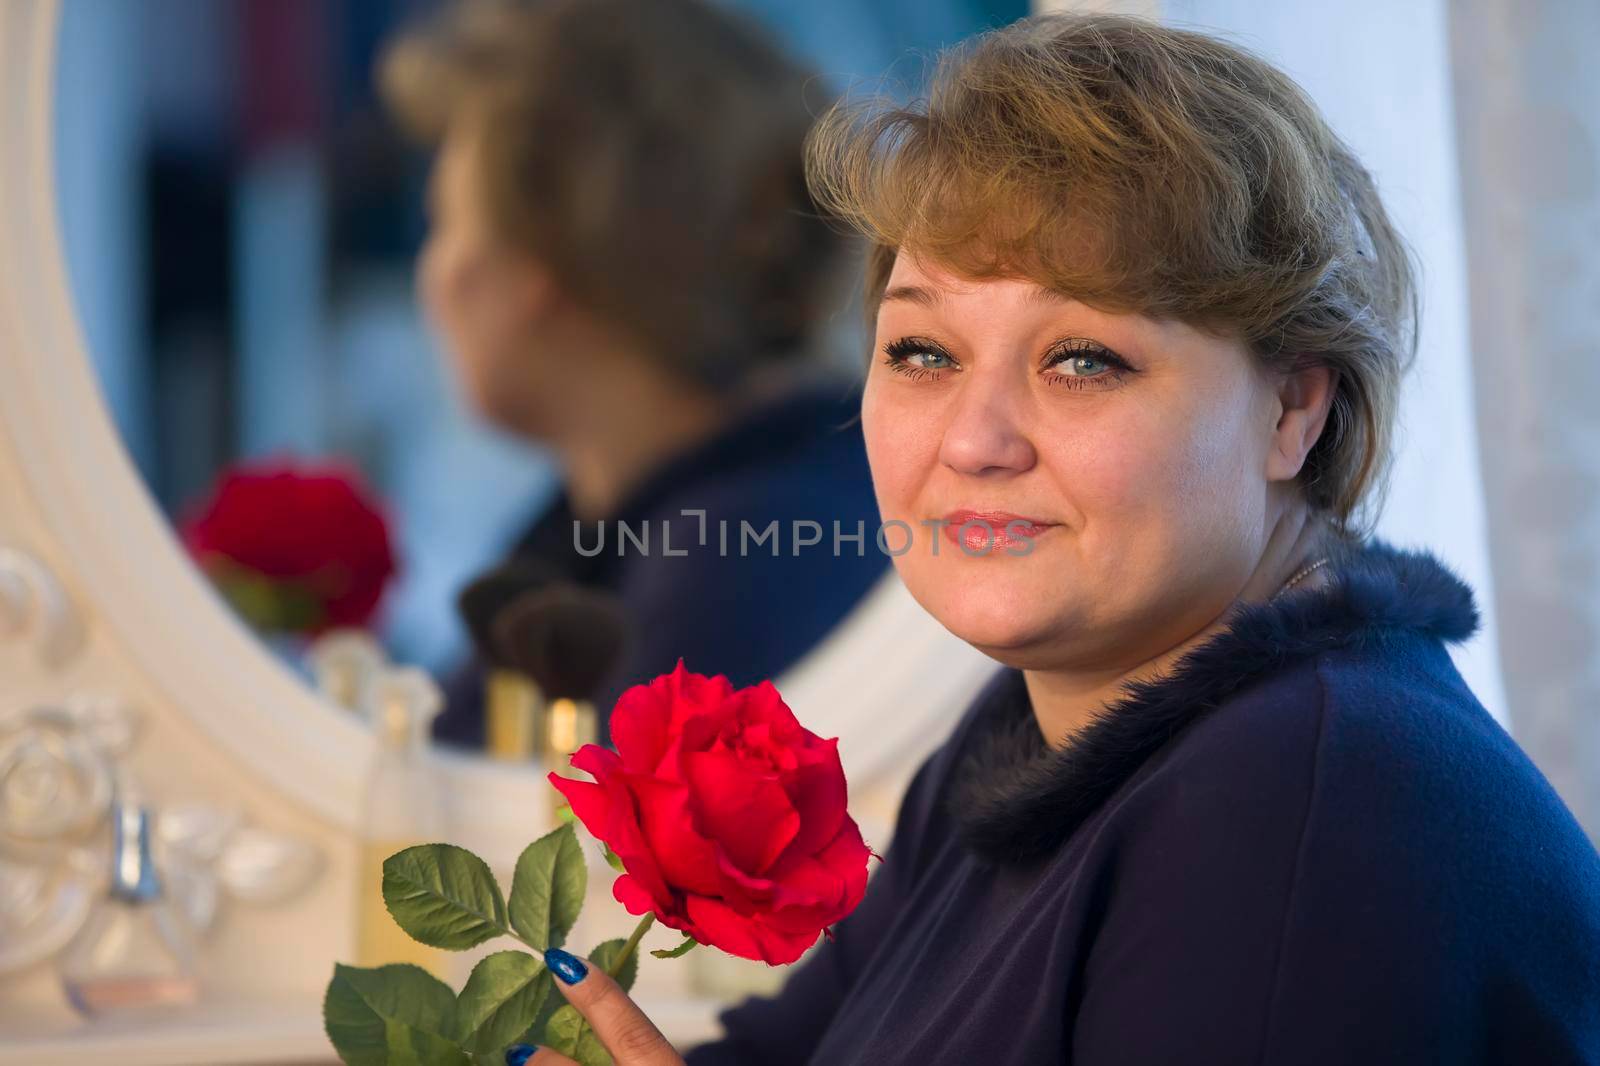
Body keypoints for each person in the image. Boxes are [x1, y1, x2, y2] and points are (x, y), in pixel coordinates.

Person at [506, 12, 1600, 1066]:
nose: (975, 440)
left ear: (1291, 410)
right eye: (924, 352)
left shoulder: (1301, 811)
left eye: (1081, 359)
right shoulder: (1041, 733)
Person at [378, 0, 888, 748]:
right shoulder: (662, 533)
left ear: (538, 271)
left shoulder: (727, 580)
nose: (438, 276)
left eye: (447, 223)